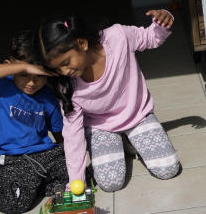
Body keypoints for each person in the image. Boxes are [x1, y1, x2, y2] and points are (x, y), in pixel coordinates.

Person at [37, 10, 181, 192]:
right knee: (110, 183)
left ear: (81, 43)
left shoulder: (117, 37)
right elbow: (73, 136)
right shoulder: (67, 85)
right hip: (100, 126)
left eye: (66, 62)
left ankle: (130, 141)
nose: (64, 72)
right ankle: (120, 142)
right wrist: (76, 183)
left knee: (168, 168)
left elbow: (150, 37)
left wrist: (163, 22)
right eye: (57, 68)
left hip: (137, 116)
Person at [0, 31, 68, 214]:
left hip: (44, 153)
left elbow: (59, 134)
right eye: (24, 74)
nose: (32, 82)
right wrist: (22, 66)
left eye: (38, 75)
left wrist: (68, 159)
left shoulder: (47, 96)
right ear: (10, 67)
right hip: (11, 158)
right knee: (17, 204)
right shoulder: (0, 85)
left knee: (75, 177)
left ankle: (32, 185)